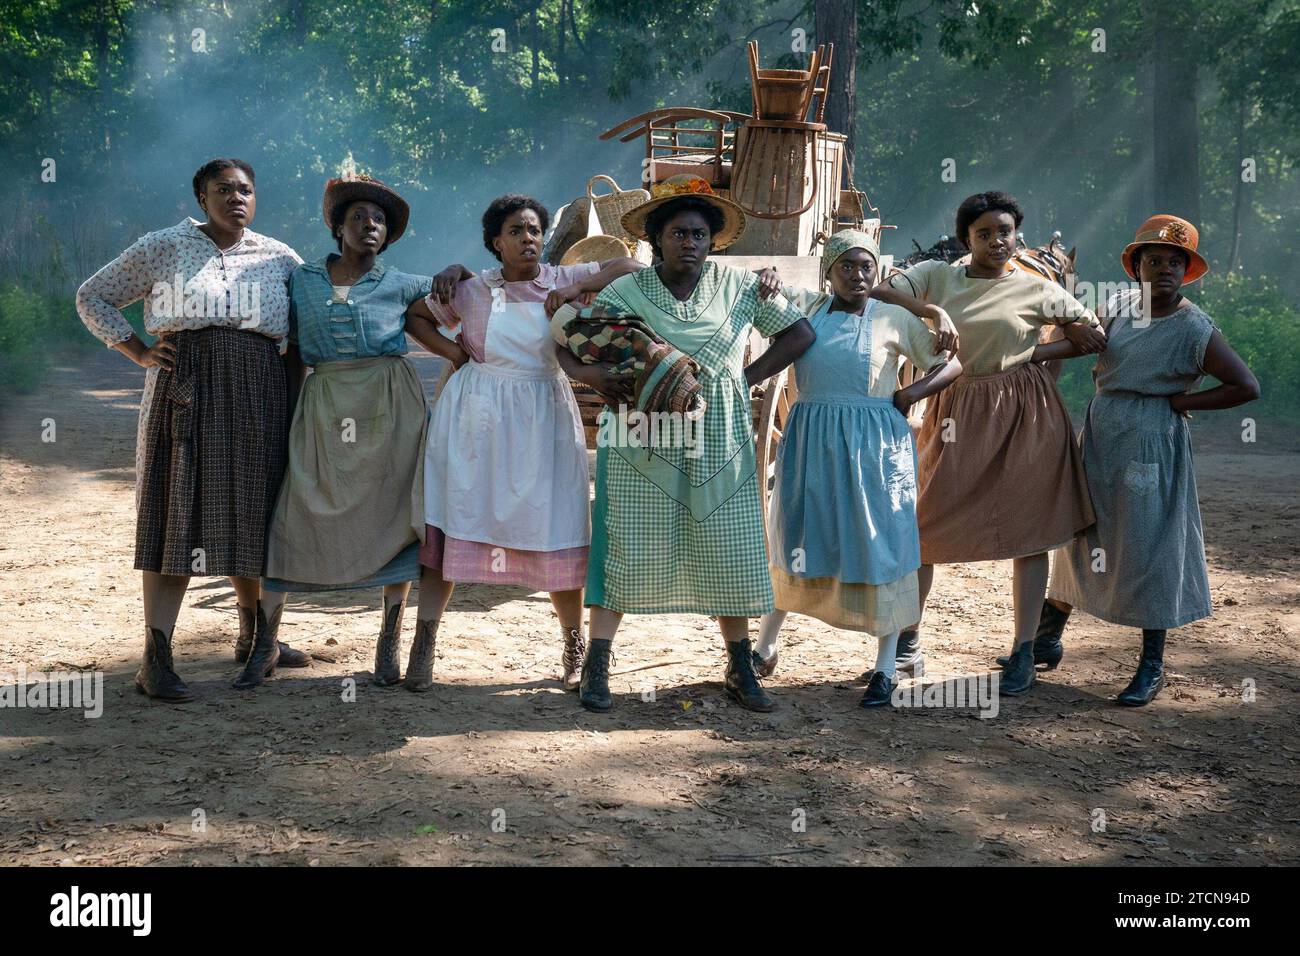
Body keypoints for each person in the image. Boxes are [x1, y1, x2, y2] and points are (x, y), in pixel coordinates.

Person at [561, 174, 816, 714]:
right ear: (657, 239)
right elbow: (568, 333)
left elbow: (799, 332)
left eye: (700, 234)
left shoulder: (740, 285)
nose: (690, 243)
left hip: (717, 435)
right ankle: (598, 665)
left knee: (730, 545)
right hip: (640, 435)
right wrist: (596, 379)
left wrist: (745, 378)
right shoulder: (625, 291)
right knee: (625, 544)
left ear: (713, 240)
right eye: (678, 233)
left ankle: (740, 664)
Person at [76, 158, 306, 701]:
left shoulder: (279, 257)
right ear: (201, 198)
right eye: (223, 189)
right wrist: (136, 350)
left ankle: (257, 637)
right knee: (173, 514)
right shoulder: (164, 245)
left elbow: (304, 329)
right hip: (185, 391)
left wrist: (298, 401)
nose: (236, 198)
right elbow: (93, 294)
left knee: (258, 511)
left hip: (260, 395)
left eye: (246, 190)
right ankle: (156, 659)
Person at [405, 194, 643, 692]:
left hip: (543, 414)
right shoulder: (469, 288)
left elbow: (629, 265)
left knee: (556, 523)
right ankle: (424, 645)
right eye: (516, 231)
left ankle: (573, 643)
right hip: (476, 414)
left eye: (535, 229)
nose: (528, 238)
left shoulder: (561, 280)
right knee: (454, 517)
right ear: (496, 242)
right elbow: (416, 318)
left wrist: (584, 282)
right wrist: (456, 354)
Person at [886, 191, 1106, 696]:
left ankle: (1024, 650)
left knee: (1029, 534)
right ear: (967, 238)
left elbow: (1090, 333)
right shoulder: (938, 278)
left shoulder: (1035, 288)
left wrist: (1033, 351)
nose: (996, 242)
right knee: (924, 526)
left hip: (1024, 413)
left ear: (1017, 236)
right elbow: (880, 292)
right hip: (954, 407)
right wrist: (933, 313)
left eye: (1004, 232)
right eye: (984, 233)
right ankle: (908, 642)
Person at [1032, 215, 1259, 706]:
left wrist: (1183, 403)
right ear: (1136, 266)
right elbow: (1081, 342)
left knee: (1148, 544)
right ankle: (1046, 638)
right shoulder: (1117, 306)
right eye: (1153, 260)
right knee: (1082, 532)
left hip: (1153, 439)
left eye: (1174, 262)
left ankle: (1151, 665)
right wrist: (1030, 353)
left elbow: (1245, 386)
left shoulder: (1194, 327)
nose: (1163, 269)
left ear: (1187, 270)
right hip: (1102, 431)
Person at [241, 174, 445, 690]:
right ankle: (265, 642)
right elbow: (289, 349)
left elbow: (456, 294)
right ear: (338, 227)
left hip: (391, 402)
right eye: (358, 218)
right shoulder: (301, 279)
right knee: (295, 511)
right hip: (324, 399)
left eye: (378, 221)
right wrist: (287, 412)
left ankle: (389, 639)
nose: (370, 226)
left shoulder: (403, 283)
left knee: (396, 513)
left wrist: (459, 268)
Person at [752, 230, 963, 706]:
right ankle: (764, 648)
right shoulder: (806, 306)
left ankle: (887, 665)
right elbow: (765, 287)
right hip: (811, 438)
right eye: (846, 266)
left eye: (866, 266)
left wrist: (908, 396)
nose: (858, 275)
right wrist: (767, 273)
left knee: (879, 539)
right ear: (829, 272)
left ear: (878, 272)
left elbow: (949, 365)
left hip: (874, 443)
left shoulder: (893, 317)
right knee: (799, 534)